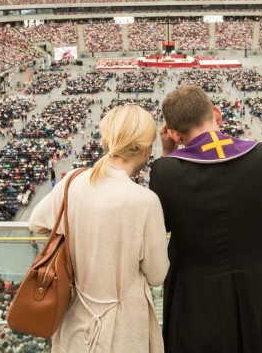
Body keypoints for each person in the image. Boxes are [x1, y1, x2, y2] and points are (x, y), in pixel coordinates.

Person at [149, 85, 262, 352]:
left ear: (175, 134)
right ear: (217, 114)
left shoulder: (165, 171)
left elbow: (162, 226)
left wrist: (168, 156)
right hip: (259, 291)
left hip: (196, 301)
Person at [29, 104, 169, 352]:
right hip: (125, 328)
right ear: (147, 149)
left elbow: (37, 222)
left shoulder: (73, 181)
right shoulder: (145, 201)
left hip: (76, 316)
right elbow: (157, 275)